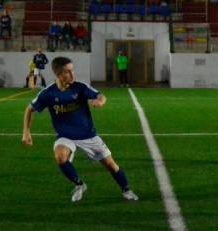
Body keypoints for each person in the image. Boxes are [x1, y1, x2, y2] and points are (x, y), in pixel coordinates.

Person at [22, 56, 138, 203]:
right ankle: (79, 184)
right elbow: (29, 109)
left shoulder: (80, 87)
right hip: (65, 136)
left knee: (110, 164)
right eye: (67, 72)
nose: (72, 74)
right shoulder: (48, 93)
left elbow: (100, 95)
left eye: (72, 70)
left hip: (88, 135)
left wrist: (100, 101)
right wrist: (26, 131)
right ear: (58, 74)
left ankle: (126, 189)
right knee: (60, 155)